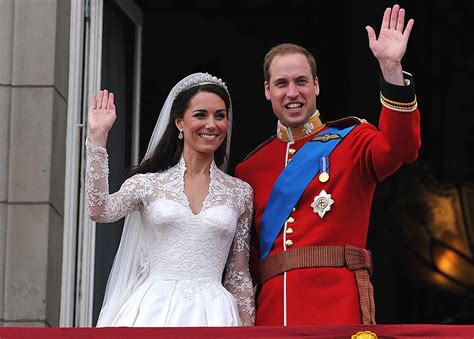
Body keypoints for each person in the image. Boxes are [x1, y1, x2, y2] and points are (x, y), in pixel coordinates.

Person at [234, 4, 421, 326]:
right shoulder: (249, 169)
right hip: (274, 311)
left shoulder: (353, 140)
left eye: (301, 81)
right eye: (281, 83)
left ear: (316, 85)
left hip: (338, 304)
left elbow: (402, 148)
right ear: (267, 91)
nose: (292, 93)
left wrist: (391, 69)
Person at [86, 73, 255, 326]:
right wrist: (98, 138)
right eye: (201, 115)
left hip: (216, 315)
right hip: (153, 311)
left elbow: (238, 274)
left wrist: (248, 330)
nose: (212, 124)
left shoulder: (240, 192)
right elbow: (99, 211)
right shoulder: (148, 184)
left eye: (220, 116)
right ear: (179, 122)